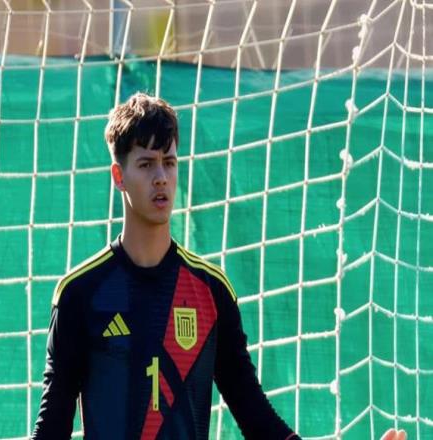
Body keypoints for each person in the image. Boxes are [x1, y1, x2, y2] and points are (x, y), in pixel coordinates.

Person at [32, 93, 406, 440]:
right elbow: (52, 426)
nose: (161, 177)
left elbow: (255, 413)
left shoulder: (210, 291)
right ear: (119, 177)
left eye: (169, 162)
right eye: (146, 164)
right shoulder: (81, 293)